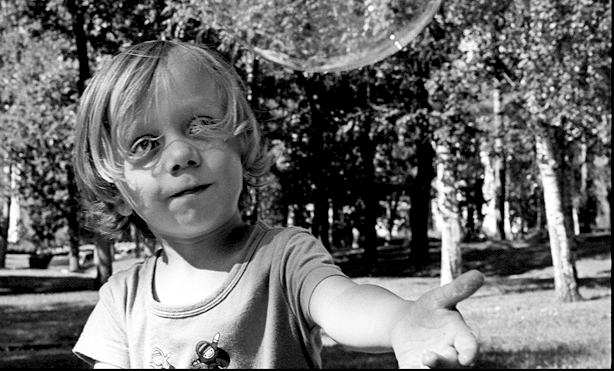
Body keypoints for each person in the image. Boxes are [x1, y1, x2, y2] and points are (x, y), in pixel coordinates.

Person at [72, 40, 484, 369]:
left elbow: (344, 304)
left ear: (241, 142)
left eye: (201, 124)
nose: (180, 153)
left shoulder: (284, 258)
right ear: (116, 191)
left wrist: (400, 321)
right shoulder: (121, 300)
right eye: (145, 144)